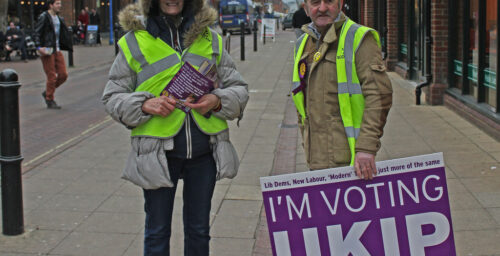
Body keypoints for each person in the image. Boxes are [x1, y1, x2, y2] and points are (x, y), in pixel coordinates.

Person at [101, 0, 249, 255]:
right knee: (157, 232)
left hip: (204, 153)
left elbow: (239, 88)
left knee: (199, 231)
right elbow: (112, 98)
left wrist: (217, 101)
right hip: (158, 154)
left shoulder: (210, 38)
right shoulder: (134, 41)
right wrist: (145, 104)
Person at [292, 0, 392, 179]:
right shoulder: (302, 43)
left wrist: (367, 147)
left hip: (351, 160)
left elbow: (379, 95)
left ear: (340, 4)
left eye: (329, 1)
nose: (322, 8)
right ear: (306, 8)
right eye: (315, 2)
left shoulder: (359, 37)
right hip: (316, 158)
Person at [34, 0, 73, 109]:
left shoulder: (59, 18)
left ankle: (47, 91)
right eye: (57, 4)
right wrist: (38, 47)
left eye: (60, 3)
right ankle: (49, 99)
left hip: (57, 49)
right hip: (47, 50)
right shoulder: (44, 17)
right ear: (51, 5)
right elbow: (37, 32)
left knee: (63, 75)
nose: (60, 6)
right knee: (51, 76)